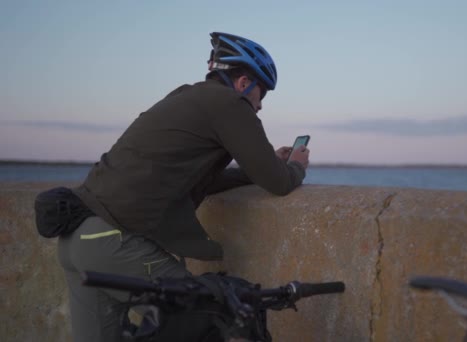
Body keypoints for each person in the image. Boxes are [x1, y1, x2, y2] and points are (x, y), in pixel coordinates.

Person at [57, 32, 310, 341]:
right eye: (263, 94)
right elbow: (280, 183)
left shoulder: (186, 97)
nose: (260, 106)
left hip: (79, 240)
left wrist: (257, 167)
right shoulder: (230, 103)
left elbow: (201, 177)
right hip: (115, 242)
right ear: (244, 83)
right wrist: (296, 165)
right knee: (213, 315)